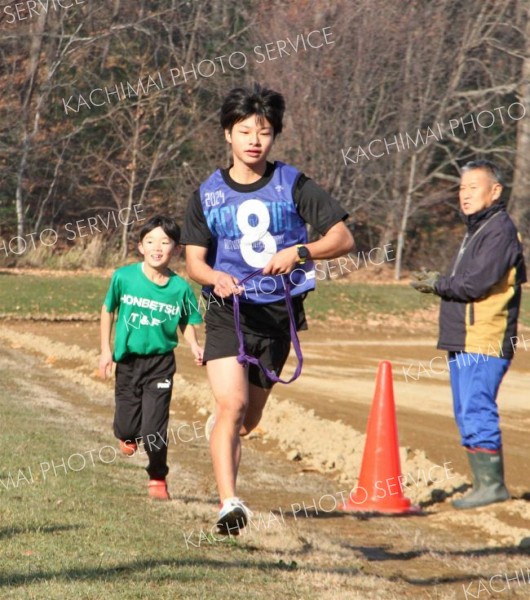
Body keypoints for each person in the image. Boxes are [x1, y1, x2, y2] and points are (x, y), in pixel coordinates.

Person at [181, 83, 354, 533]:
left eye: (264, 132)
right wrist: (215, 277)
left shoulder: (293, 183)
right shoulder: (207, 194)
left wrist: (301, 252)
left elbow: (342, 238)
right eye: (244, 131)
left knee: (246, 419)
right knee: (232, 403)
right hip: (227, 312)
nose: (255, 140)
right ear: (227, 135)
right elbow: (194, 263)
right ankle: (229, 504)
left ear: (274, 136)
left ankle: (224, 425)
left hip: (279, 316)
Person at [411, 159, 526, 509]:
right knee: (466, 411)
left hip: (485, 338)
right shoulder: (479, 228)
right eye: (461, 188)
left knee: (476, 409)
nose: (464, 195)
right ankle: (484, 484)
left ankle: (491, 487)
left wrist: (437, 284)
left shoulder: (498, 230)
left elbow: (475, 283)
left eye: (473, 187)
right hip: (466, 338)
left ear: (495, 191)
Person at [99, 215, 203, 500]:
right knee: (127, 427)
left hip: (160, 364)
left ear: (177, 249)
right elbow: (108, 310)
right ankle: (127, 434)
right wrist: (106, 350)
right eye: (150, 241)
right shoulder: (124, 277)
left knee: (154, 429)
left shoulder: (180, 288)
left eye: (165, 242)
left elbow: (187, 321)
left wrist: (194, 345)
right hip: (128, 362)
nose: (157, 247)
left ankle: (157, 477)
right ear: (141, 247)